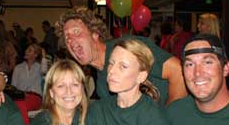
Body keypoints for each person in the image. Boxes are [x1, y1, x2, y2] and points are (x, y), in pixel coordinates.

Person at [58, 7, 187, 105]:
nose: (70, 39)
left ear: (95, 33)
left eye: (76, 31)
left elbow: (178, 71)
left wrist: (170, 120)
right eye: (66, 36)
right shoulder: (103, 83)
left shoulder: (129, 47)